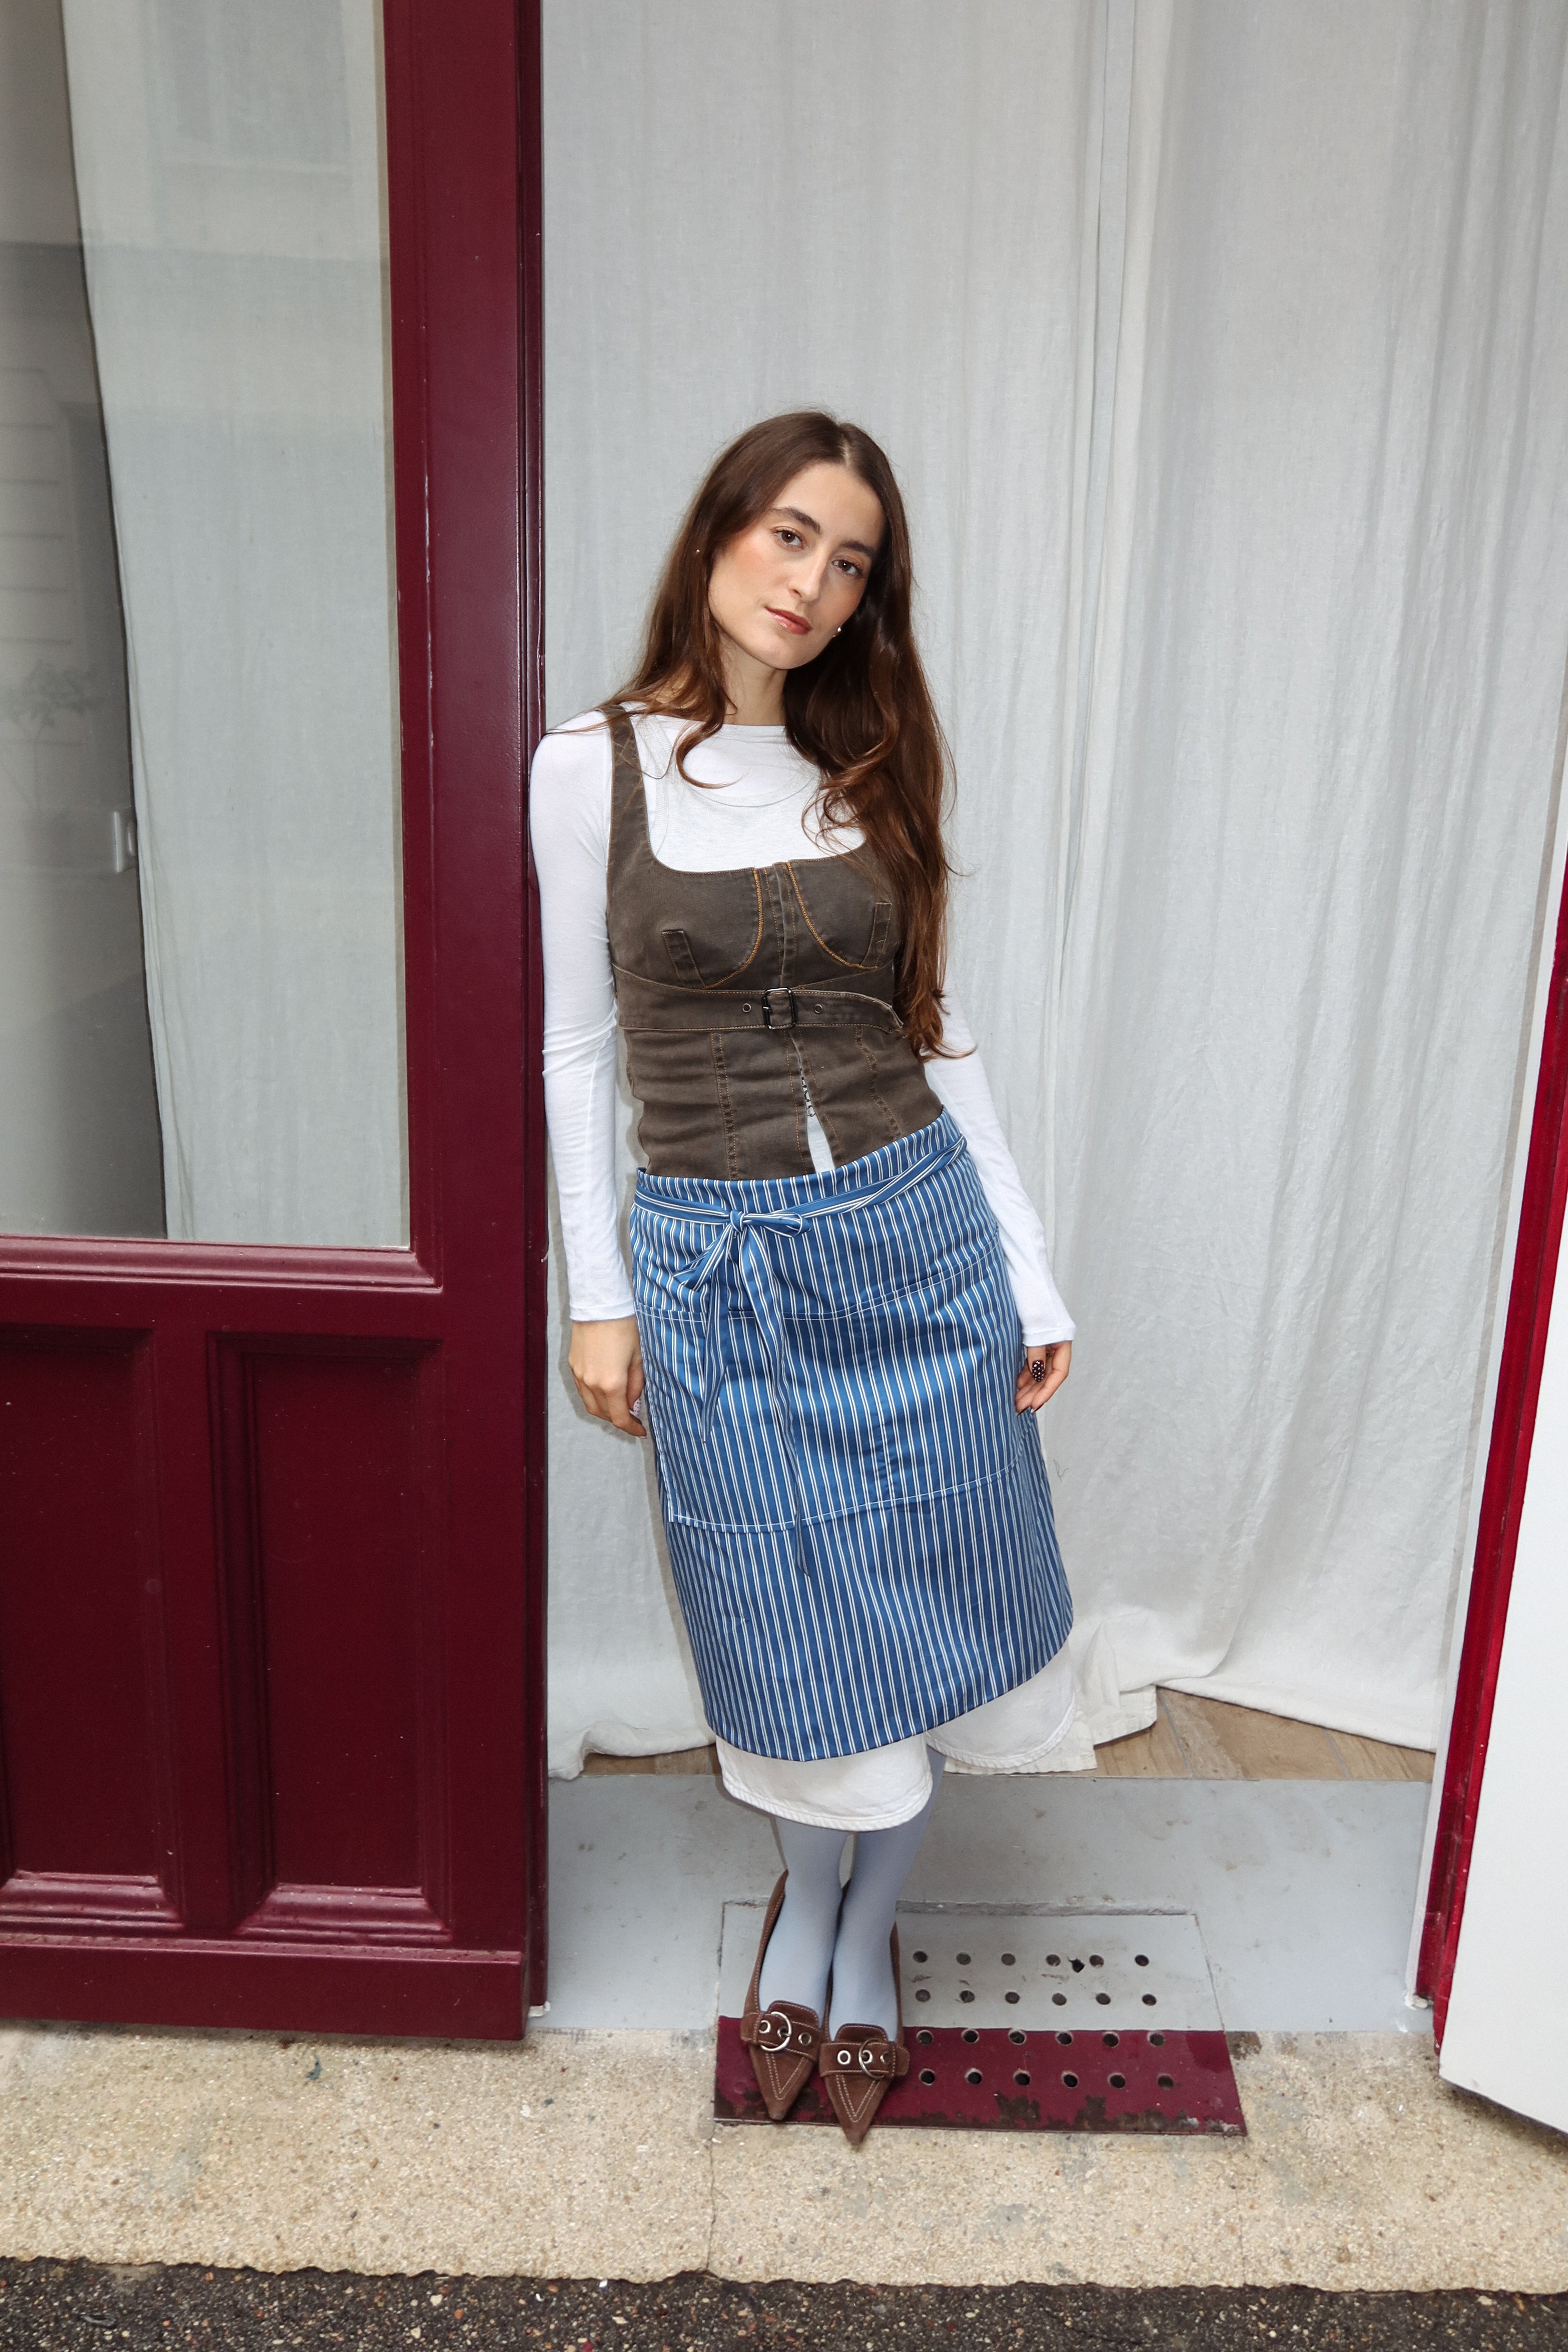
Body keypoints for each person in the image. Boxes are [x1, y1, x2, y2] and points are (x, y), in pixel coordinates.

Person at [530, 411, 1075, 2144]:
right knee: (780, 1633)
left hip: (914, 1246)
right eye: (788, 538)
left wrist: (1030, 1272)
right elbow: (570, 1053)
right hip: (719, 1263)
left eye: (850, 564)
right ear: (714, 539)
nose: (813, 586)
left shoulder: (870, 766)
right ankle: (812, 1898)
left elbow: (937, 1031)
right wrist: (594, 1290)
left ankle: (853, 1932)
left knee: (912, 1623)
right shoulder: (585, 768)